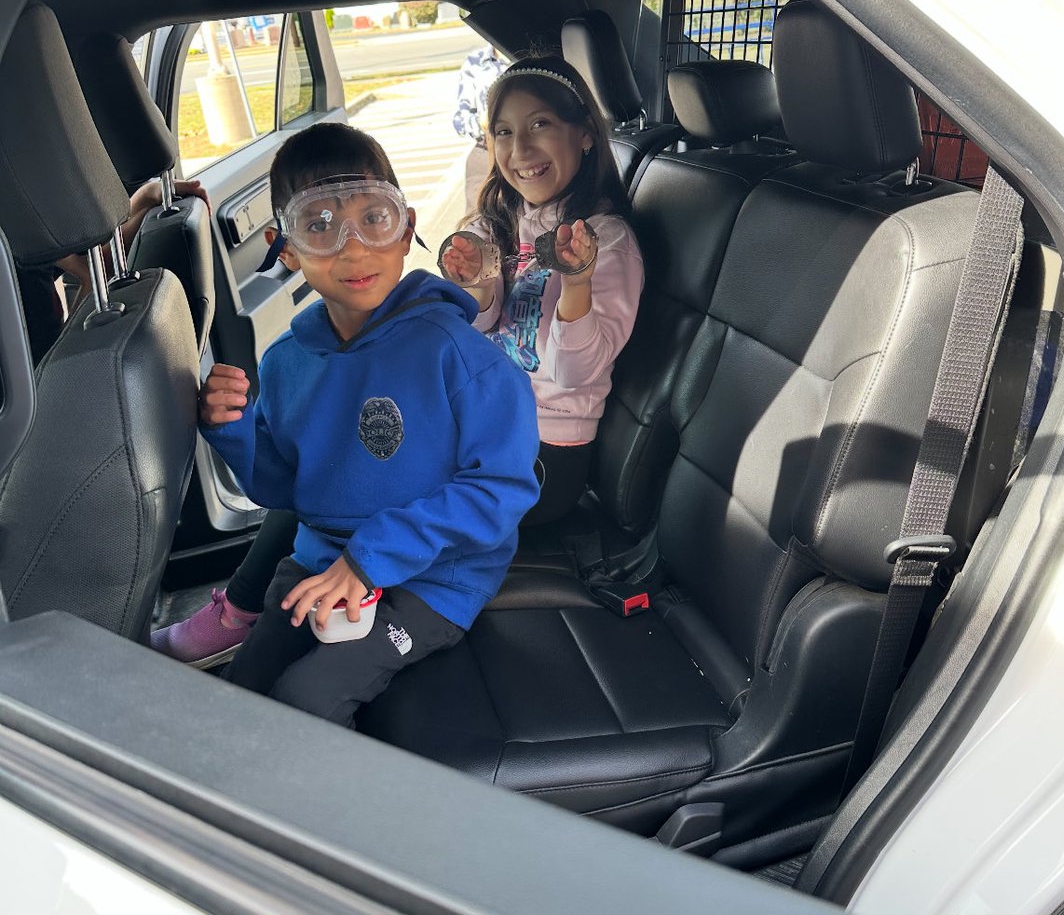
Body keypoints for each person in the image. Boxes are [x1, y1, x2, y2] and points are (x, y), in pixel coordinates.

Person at [185, 122, 540, 726]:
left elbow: (502, 487)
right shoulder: (287, 362)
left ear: (405, 230)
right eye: (319, 225)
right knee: (244, 690)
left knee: (307, 700)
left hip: (436, 577)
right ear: (285, 248)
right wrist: (233, 431)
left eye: (374, 218)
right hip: (322, 559)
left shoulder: (460, 357)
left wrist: (370, 558)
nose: (352, 249)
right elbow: (281, 487)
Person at [441, 55, 643, 526]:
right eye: (504, 132)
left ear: (585, 134)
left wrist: (577, 283)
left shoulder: (606, 240)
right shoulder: (500, 222)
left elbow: (574, 374)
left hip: (546, 450)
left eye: (540, 124)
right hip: (484, 423)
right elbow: (482, 327)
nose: (521, 149)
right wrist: (478, 284)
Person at [16, 177, 209, 366]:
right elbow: (50, 370)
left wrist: (145, 197)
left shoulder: (22, 238)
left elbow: (99, 263)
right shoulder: (20, 245)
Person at [452, 41, 504, 212]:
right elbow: (460, 119)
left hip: (527, 148)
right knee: (478, 215)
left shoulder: (526, 58)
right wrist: (483, 122)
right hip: (486, 149)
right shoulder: (476, 61)